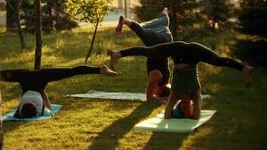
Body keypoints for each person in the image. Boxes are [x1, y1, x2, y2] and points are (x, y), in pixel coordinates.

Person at [107, 41, 254, 120]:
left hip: (178, 51)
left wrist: (176, 115)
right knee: (217, 60)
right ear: (191, 104)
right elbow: (196, 117)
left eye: (182, 108)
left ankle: (118, 54)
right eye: (187, 107)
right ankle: (243, 69)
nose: (184, 105)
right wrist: (191, 114)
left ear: (178, 106)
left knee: (150, 52)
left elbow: (167, 115)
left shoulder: (175, 95)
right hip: (193, 53)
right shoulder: (195, 95)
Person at [0, 65, 118, 118]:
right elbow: (26, 100)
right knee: (71, 71)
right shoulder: (24, 101)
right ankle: (100, 70)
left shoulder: (34, 101)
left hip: (35, 77)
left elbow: (42, 96)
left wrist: (48, 107)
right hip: (26, 77)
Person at [114, 8, 173, 102]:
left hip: (164, 37)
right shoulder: (158, 77)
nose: (154, 92)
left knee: (162, 22)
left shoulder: (165, 77)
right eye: (156, 93)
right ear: (159, 91)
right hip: (161, 41)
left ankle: (164, 11)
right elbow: (149, 98)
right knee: (144, 34)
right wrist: (164, 99)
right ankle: (125, 22)